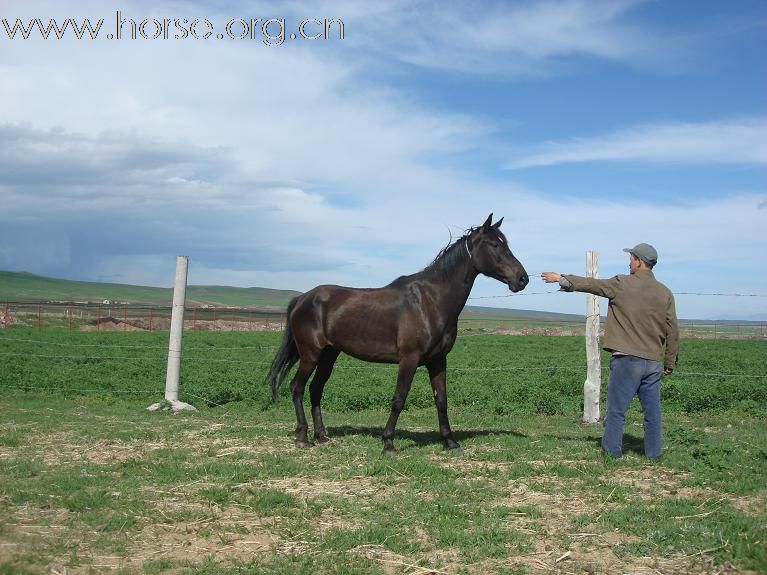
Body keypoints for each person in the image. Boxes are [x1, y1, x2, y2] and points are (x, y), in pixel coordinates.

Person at [541, 243, 679, 459]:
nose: (629, 262)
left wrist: (561, 278)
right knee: (652, 413)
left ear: (639, 261)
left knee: (616, 411)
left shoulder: (622, 283)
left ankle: (611, 454)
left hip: (626, 360)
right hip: (653, 362)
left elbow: (592, 285)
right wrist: (669, 362)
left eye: (631, 258)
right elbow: (673, 330)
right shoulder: (665, 293)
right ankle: (654, 455)